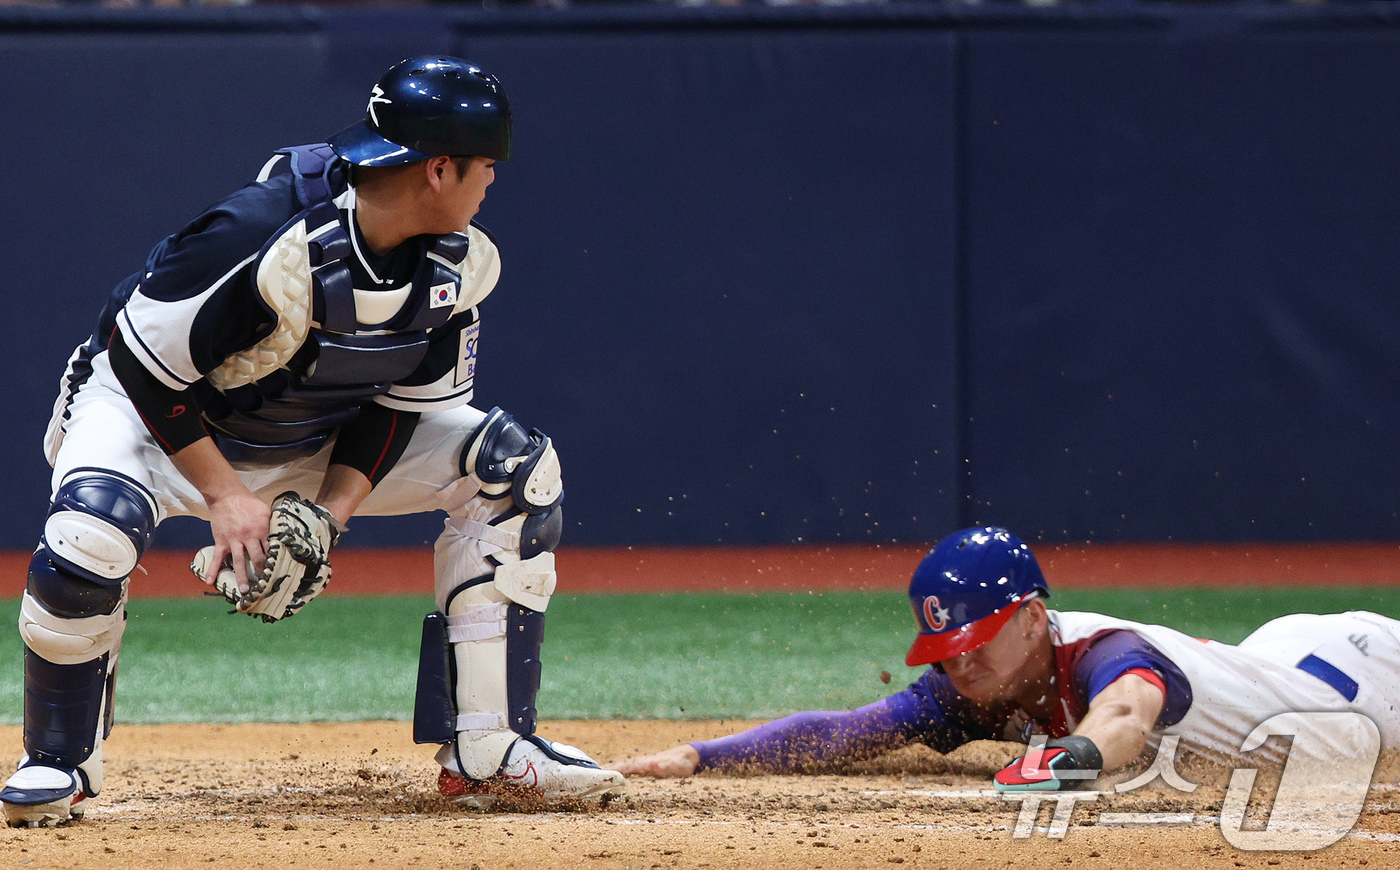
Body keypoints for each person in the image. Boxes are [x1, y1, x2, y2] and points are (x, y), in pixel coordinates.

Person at [1, 56, 625, 828]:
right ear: (439, 169)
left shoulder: (458, 267)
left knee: (512, 471)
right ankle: (57, 761)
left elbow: (398, 411)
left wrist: (328, 514)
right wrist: (226, 496)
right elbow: (140, 363)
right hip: (150, 417)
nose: (492, 182)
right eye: (485, 166)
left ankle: (490, 747)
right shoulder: (260, 231)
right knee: (89, 533)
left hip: (305, 432)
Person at [611, 526, 1400, 791]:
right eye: (947, 652)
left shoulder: (1103, 650)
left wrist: (1069, 760)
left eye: (974, 642)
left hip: (1356, 683)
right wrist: (700, 755)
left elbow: (1126, 715)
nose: (960, 667)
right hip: (1276, 659)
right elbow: (851, 732)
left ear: (1029, 618)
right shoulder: (975, 685)